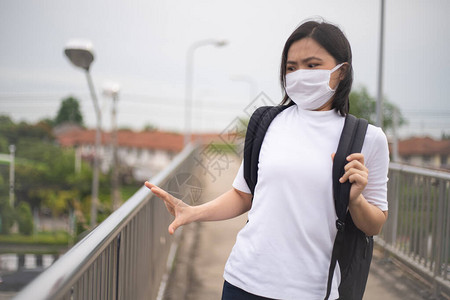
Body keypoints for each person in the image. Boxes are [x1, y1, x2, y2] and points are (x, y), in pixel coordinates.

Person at [145, 20, 389, 300]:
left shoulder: (367, 138)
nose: (299, 75)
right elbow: (243, 194)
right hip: (243, 281)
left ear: (342, 71)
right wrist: (192, 212)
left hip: (312, 291)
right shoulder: (267, 122)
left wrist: (356, 200)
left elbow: (375, 224)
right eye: (291, 67)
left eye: (312, 65)